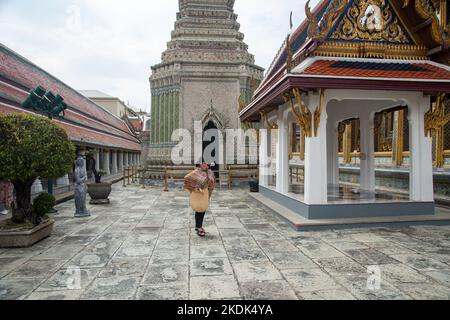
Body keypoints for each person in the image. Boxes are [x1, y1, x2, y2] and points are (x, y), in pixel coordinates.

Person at [184, 162, 216, 237]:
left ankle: (198, 226)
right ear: (200, 165)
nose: (205, 165)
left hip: (205, 193)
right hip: (197, 193)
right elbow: (187, 178)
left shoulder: (210, 173)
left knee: (203, 209)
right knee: (198, 209)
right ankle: (198, 227)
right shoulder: (196, 172)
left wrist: (208, 187)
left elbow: (212, 182)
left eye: (206, 164)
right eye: (203, 164)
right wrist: (195, 187)